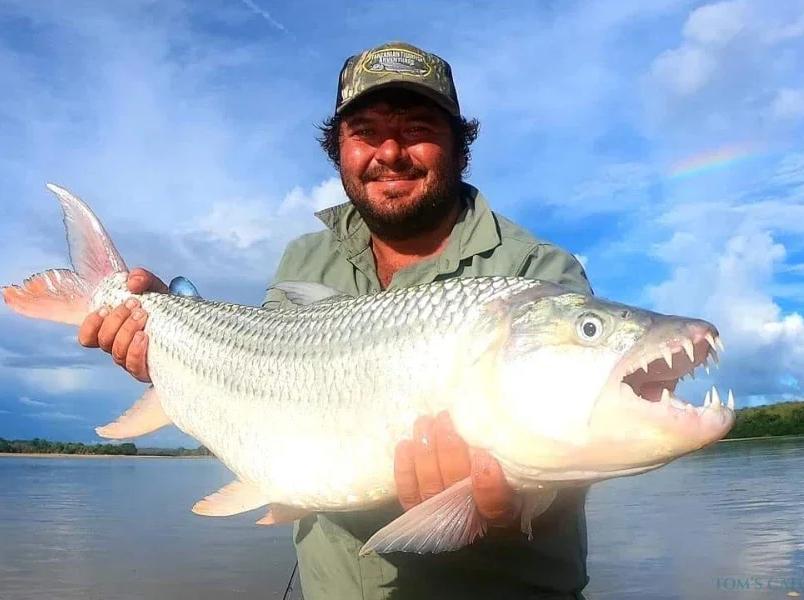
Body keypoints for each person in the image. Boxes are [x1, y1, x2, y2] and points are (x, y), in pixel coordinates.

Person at [78, 41, 594, 600]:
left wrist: (511, 503)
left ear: (459, 147)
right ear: (339, 149)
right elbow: (260, 395)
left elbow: (584, 448)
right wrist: (169, 342)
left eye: (418, 128)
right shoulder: (304, 258)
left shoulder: (535, 271)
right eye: (366, 132)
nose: (390, 152)